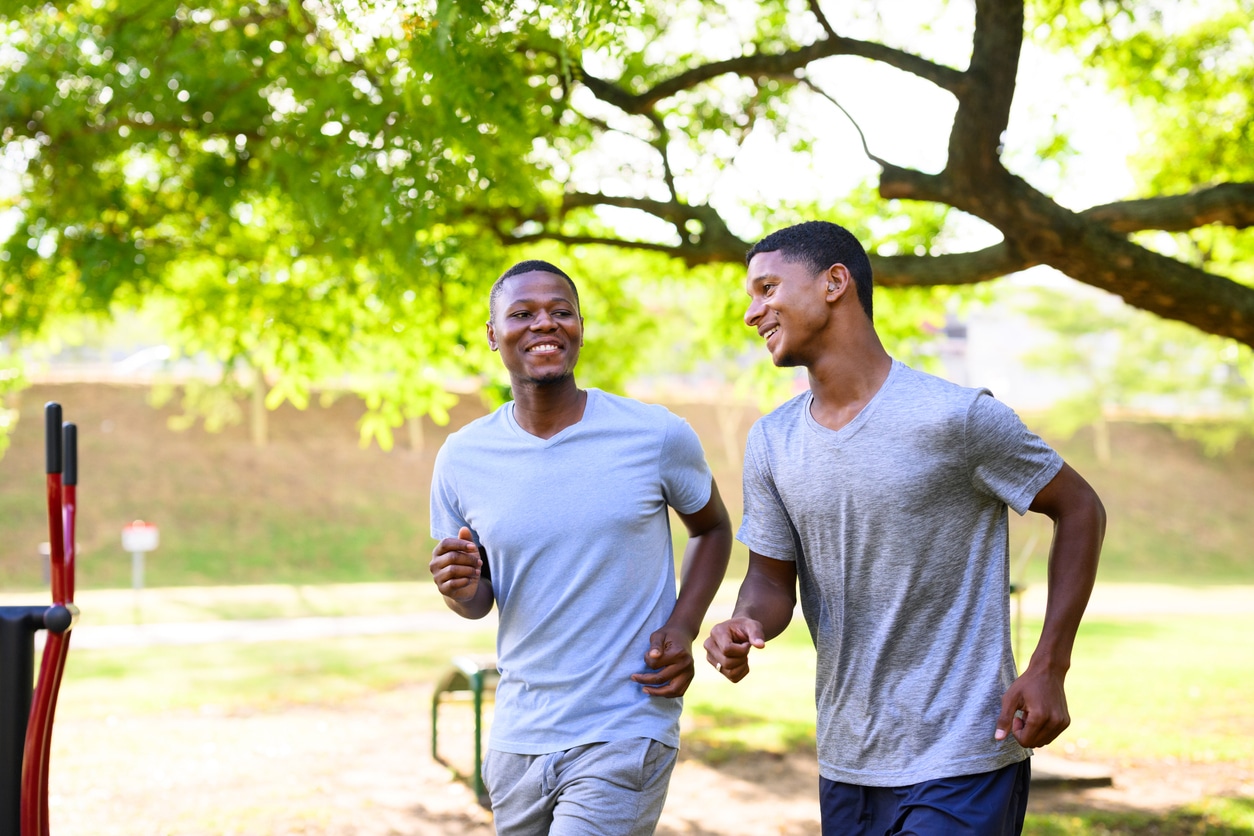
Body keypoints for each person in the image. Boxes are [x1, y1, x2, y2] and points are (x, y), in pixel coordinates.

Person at [703, 221, 1106, 835]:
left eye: (767, 289)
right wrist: (745, 621)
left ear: (835, 282)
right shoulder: (772, 441)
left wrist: (1050, 664)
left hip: (964, 755)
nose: (752, 312)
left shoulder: (956, 417)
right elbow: (770, 581)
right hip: (848, 759)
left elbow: (1080, 508)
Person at [429, 259, 733, 835]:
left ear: (580, 328)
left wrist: (683, 625)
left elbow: (712, 528)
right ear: (493, 334)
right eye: (522, 313)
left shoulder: (654, 434)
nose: (544, 323)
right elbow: (478, 600)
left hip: (625, 723)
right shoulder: (462, 458)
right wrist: (459, 588)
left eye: (560, 311)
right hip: (519, 734)